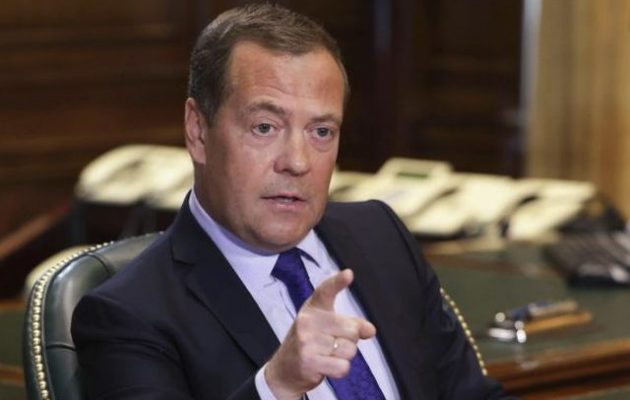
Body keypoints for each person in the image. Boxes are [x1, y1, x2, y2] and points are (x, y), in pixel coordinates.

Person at [72, 3, 510, 399]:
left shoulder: (381, 237)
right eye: (265, 127)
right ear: (198, 131)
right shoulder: (129, 315)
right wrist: (276, 386)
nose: (298, 162)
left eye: (321, 131)